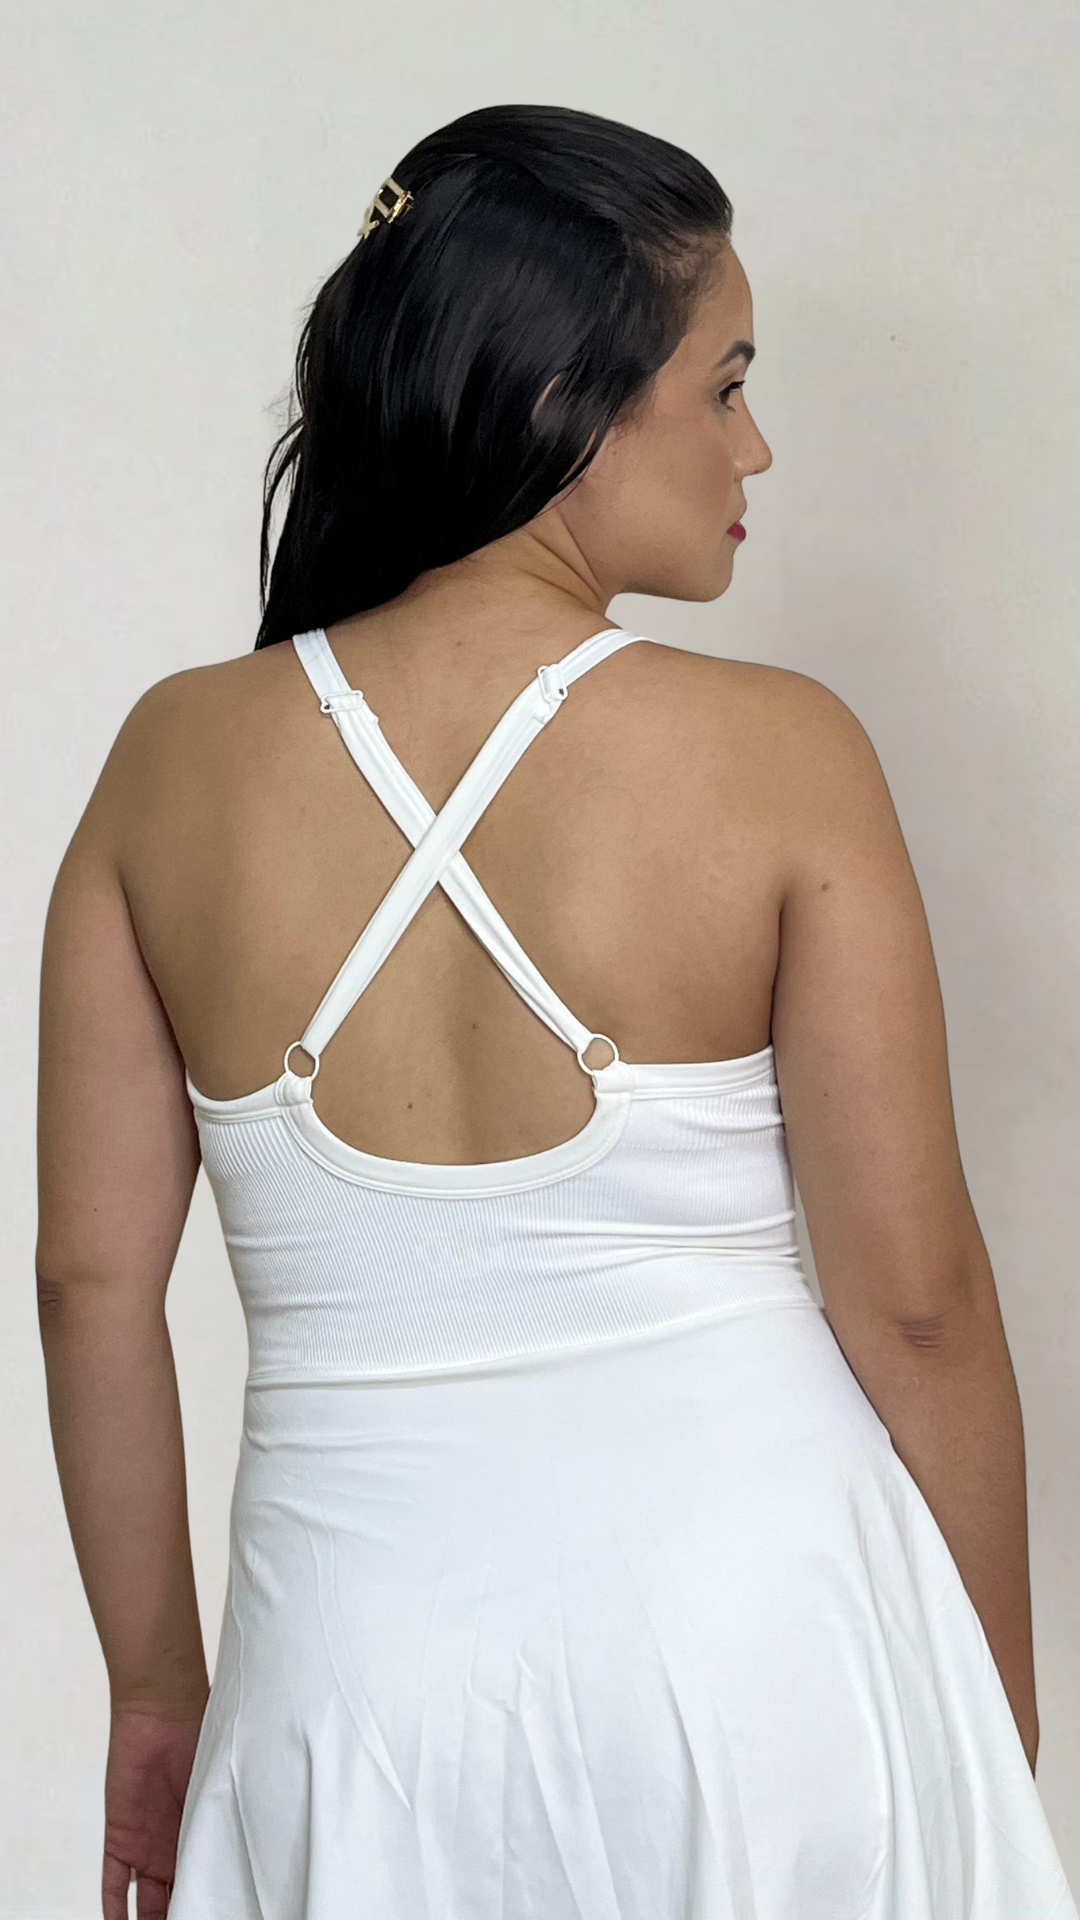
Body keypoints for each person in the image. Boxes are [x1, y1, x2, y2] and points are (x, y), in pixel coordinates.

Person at [35, 103, 1077, 1920]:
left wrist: (152, 1692)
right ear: (557, 402)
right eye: (723, 385)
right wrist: (991, 1707)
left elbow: (88, 1287)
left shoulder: (168, 764)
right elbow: (917, 1305)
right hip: (760, 1655)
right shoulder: (781, 755)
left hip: (346, 1693)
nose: (757, 444)